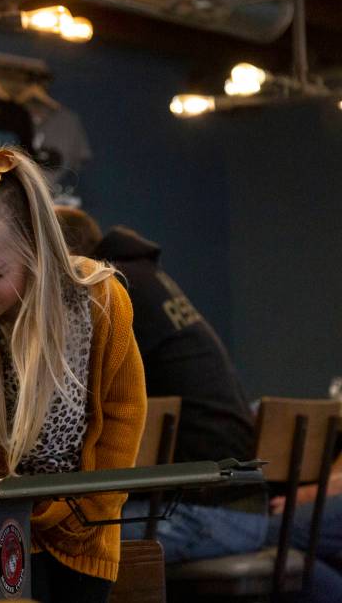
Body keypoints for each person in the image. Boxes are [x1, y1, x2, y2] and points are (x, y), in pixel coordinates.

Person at [55, 208, 342, 602]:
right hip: (237, 502)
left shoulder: (109, 291)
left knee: (42, 540)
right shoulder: (150, 279)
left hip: (198, 509)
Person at [0, 127, 147, 603]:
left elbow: (123, 415)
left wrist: (92, 511)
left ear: (36, 252)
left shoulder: (100, 299)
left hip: (86, 530)